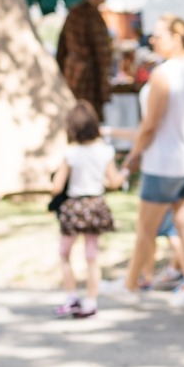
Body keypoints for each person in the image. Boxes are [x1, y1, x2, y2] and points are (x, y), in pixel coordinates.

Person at [117, 15, 184, 307]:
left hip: (163, 162)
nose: (152, 40)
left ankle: (130, 283)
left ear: (177, 37)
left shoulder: (164, 74)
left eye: (158, 35)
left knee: (146, 229)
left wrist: (132, 159)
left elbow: (150, 124)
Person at [52, 101, 123, 319]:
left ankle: (71, 296)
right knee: (92, 255)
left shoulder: (71, 153)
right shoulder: (105, 151)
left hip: (75, 206)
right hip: (95, 205)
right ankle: (91, 301)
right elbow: (114, 182)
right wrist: (127, 171)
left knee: (65, 253)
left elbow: (56, 186)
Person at [55, 0, 114, 112]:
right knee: (87, 111)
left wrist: (61, 68)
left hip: (71, 68)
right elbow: (102, 49)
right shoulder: (92, 15)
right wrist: (104, 80)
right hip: (88, 74)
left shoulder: (74, 12)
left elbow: (62, 44)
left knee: (73, 108)